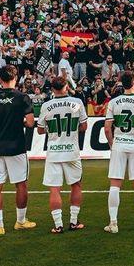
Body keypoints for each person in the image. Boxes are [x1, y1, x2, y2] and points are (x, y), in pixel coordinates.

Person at [0, 65, 36, 234]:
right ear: (16, 78)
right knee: (20, 184)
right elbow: (30, 123)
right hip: (16, 147)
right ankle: (20, 221)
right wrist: (18, 121)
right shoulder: (22, 97)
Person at [104, 69, 134, 233]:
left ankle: (113, 223)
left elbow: (107, 129)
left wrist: (112, 144)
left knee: (115, 184)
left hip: (119, 144)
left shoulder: (113, 102)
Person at [38, 75, 88, 233]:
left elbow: (39, 130)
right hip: (72, 150)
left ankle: (58, 225)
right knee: (76, 185)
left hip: (54, 151)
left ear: (52, 89)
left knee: (54, 188)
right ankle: (73, 221)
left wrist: (50, 130)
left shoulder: (46, 105)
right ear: (66, 87)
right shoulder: (77, 102)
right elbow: (84, 126)